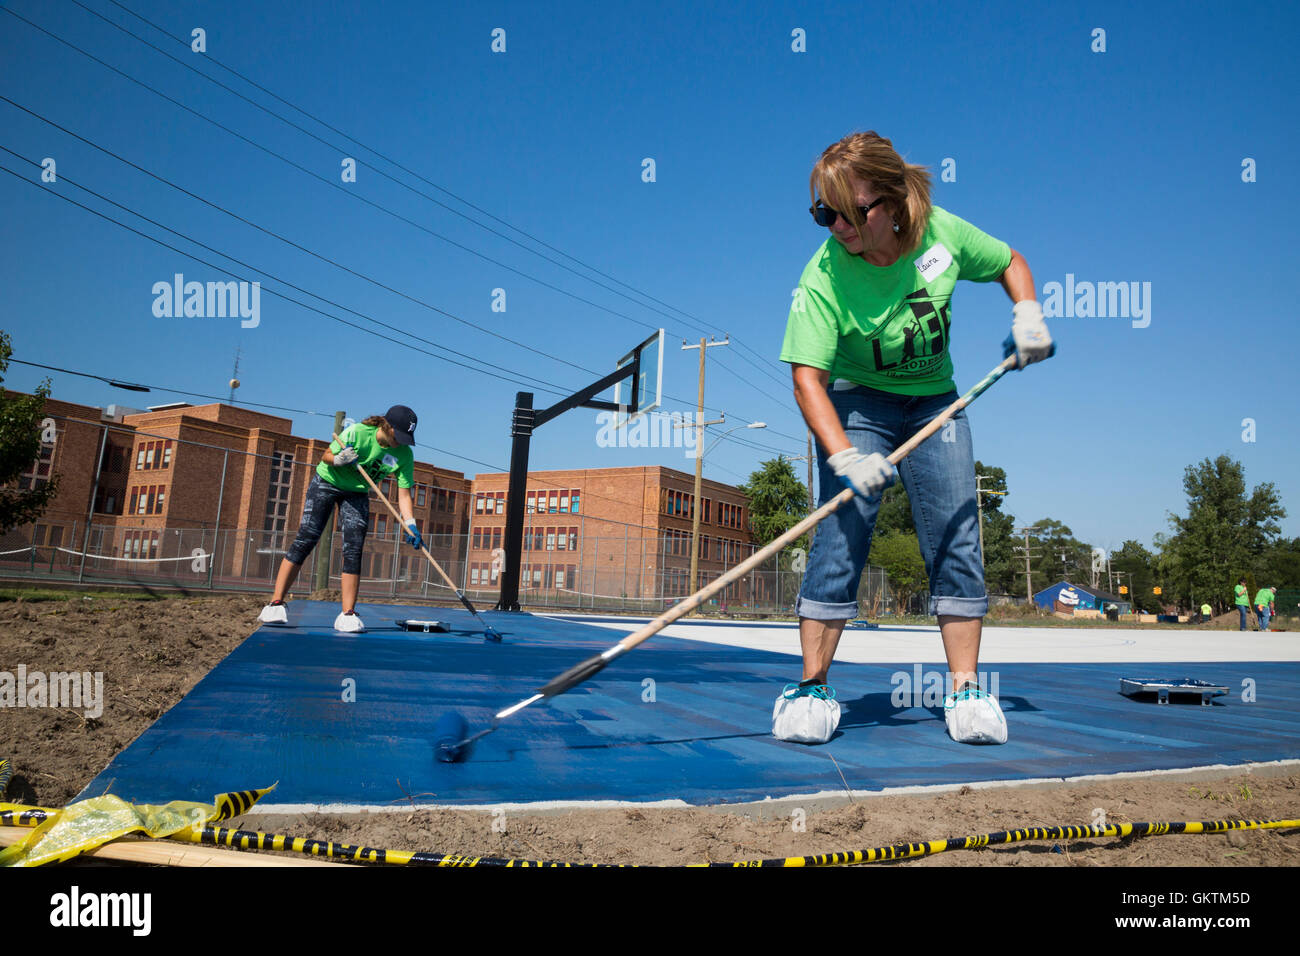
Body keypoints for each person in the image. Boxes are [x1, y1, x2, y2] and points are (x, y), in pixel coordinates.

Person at [779, 131, 1053, 745]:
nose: (834, 227)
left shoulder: (942, 234)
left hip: (935, 403)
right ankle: (812, 688)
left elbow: (1010, 261)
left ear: (894, 199)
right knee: (845, 526)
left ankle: (965, 691)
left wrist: (1027, 312)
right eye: (822, 213)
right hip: (856, 400)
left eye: (848, 212)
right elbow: (807, 379)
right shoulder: (824, 275)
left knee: (957, 531)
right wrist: (844, 453)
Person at [259, 406, 422, 632]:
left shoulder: (404, 454)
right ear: (387, 426)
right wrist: (339, 459)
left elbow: (404, 492)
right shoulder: (356, 432)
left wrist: (410, 523)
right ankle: (275, 604)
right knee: (307, 538)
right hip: (327, 482)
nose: (401, 443)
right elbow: (325, 456)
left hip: (357, 492)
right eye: (399, 436)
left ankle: (347, 614)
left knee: (353, 548)